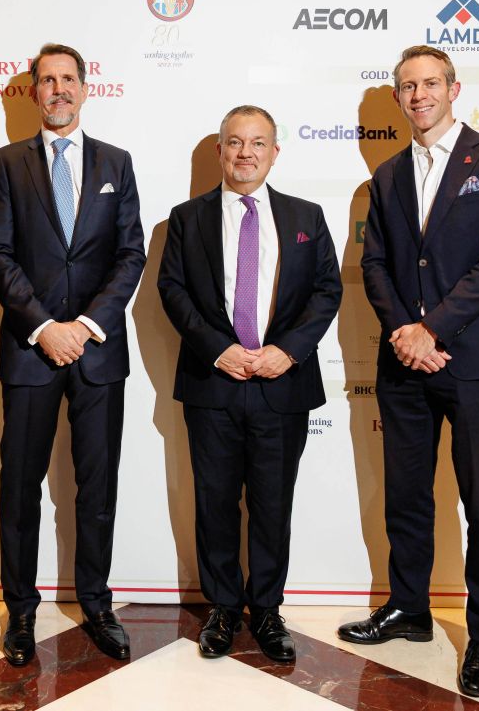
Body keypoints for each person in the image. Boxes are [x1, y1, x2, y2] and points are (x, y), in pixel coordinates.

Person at [340, 45, 479, 699]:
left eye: (429, 83)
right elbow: (375, 265)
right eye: (407, 86)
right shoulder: (387, 175)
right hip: (404, 364)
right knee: (407, 496)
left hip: (475, 360)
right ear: (398, 97)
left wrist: (433, 329)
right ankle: (408, 608)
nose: (418, 95)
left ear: (453, 88)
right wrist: (404, 333)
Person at [0, 43, 146, 666]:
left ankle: (97, 604)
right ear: (34, 92)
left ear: (84, 87)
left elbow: (130, 253)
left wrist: (87, 325)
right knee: (20, 486)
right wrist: (46, 327)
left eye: (68, 79)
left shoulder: (116, 162)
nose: (58, 89)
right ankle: (20, 611)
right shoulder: (6, 164)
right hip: (31, 350)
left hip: (98, 351)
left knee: (97, 485)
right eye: (47, 80)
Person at [158, 105, 342, 661]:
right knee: (214, 501)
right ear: (220, 151)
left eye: (257, 143)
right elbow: (173, 291)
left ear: (274, 152)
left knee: (271, 503)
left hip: (282, 384)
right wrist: (219, 350)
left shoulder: (306, 215)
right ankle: (221, 607)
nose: (245, 153)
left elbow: (327, 290)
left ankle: (265, 608)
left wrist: (288, 351)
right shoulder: (186, 219)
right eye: (235, 142)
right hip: (212, 383)